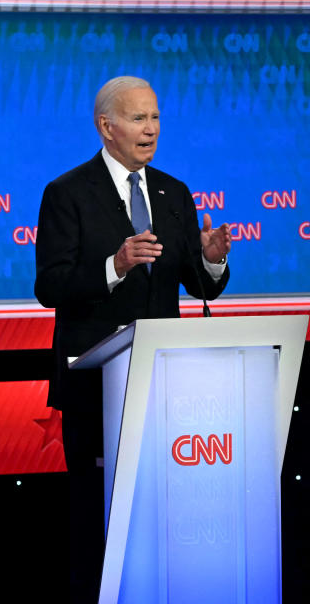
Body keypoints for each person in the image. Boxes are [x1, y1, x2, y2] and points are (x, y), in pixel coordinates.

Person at [34, 75, 231, 598]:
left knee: (161, 511)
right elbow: (49, 287)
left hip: (165, 385)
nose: (151, 129)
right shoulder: (67, 193)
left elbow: (194, 281)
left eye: (156, 117)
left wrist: (212, 262)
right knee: (98, 516)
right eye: (139, 118)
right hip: (95, 386)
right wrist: (114, 265)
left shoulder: (173, 193)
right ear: (107, 127)